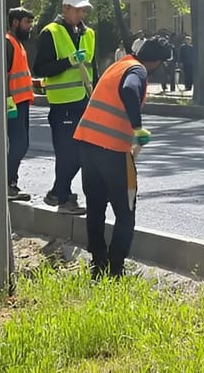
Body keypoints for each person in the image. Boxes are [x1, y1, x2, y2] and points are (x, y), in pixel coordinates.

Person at [73, 35, 170, 279]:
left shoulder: (119, 64)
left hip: (88, 143)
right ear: (157, 62)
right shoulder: (137, 71)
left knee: (95, 207)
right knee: (125, 212)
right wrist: (137, 128)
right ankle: (115, 269)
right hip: (113, 151)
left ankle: (98, 263)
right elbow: (128, 90)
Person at [32, 0, 97, 215]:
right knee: (68, 153)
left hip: (84, 101)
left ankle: (59, 192)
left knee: (83, 152)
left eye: (84, 10)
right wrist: (67, 61)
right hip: (63, 105)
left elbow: (93, 68)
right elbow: (39, 68)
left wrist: (97, 96)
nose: (82, 15)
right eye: (78, 10)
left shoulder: (88, 34)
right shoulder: (50, 32)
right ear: (65, 8)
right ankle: (62, 195)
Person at [5, 7, 36, 202]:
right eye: (27, 22)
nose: (30, 26)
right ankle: (7, 183)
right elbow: (4, 74)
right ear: (15, 22)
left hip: (21, 101)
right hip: (13, 103)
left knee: (21, 144)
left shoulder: (18, 43)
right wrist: (8, 101)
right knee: (19, 144)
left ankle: (10, 184)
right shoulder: (9, 43)